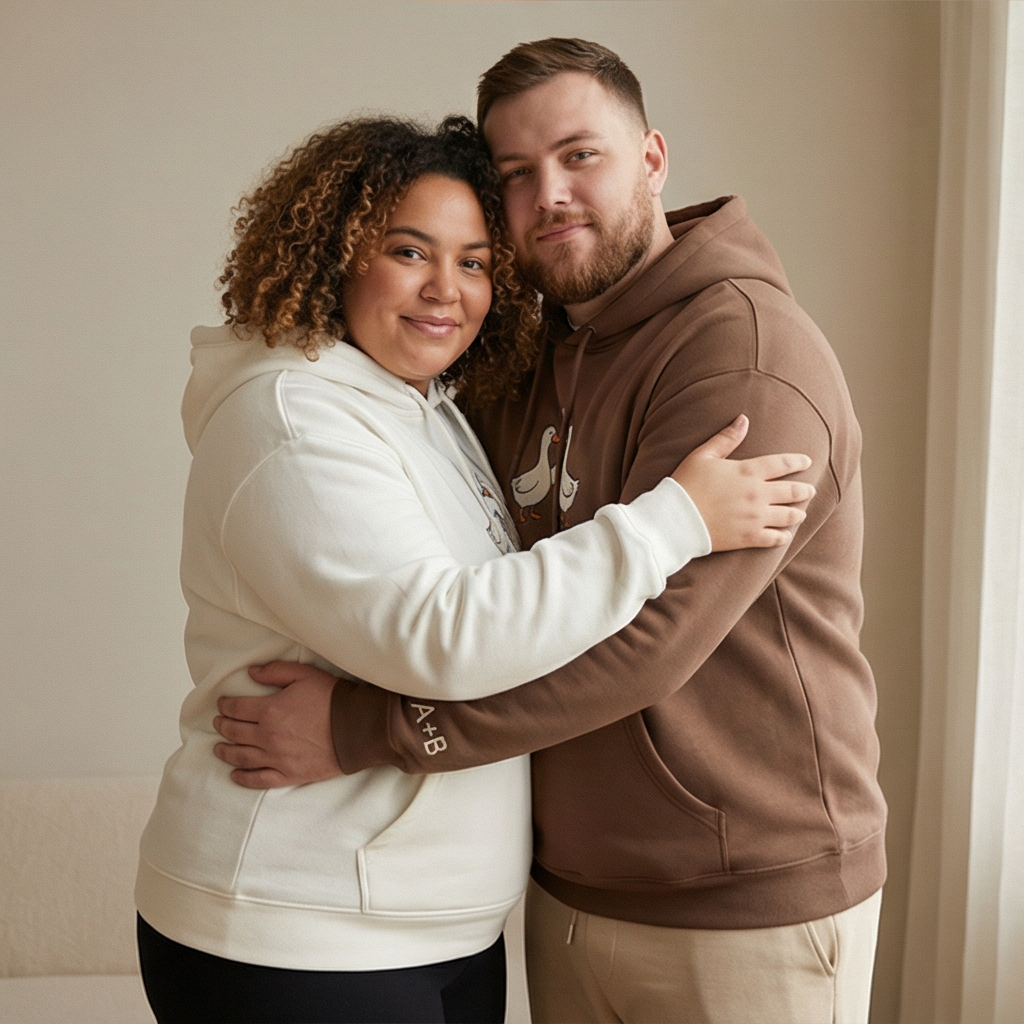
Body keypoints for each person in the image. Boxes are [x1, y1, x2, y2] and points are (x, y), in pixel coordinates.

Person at [213, 39, 888, 1024]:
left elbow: (649, 644)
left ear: (652, 159)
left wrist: (364, 728)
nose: (551, 196)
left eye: (580, 156)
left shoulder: (745, 354)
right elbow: (480, 596)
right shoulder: (515, 361)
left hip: (746, 897)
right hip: (568, 893)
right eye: (517, 174)